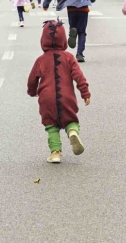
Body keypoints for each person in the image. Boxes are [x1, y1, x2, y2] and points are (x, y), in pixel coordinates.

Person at [27, 20, 91, 163]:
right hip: (67, 97)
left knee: (51, 126)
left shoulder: (41, 60)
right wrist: (84, 92)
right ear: (63, 39)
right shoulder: (69, 58)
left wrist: (32, 92)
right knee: (70, 120)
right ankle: (72, 132)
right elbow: (78, 76)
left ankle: (55, 153)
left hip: (46, 99)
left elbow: (32, 79)